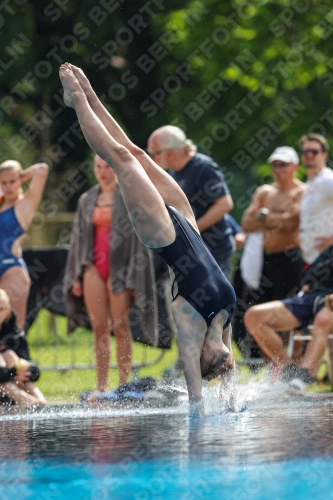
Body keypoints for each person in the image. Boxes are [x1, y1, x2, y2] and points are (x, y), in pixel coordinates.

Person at [59, 63, 236, 410]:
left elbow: (195, 388)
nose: (225, 359)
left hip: (165, 237)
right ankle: (90, 92)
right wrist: (231, 401)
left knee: (121, 159)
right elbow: (230, 379)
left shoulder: (192, 325)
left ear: (206, 355)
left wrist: (203, 404)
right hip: (190, 226)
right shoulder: (226, 319)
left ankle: (78, 99)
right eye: (226, 360)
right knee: (137, 152)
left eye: (217, 360)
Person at [64, 155, 158, 392]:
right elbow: (77, 241)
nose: (102, 171)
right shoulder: (86, 200)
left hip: (122, 270)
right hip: (93, 268)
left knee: (120, 326)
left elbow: (139, 240)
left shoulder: (128, 198)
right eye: (98, 166)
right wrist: (76, 275)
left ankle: (124, 385)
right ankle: (102, 387)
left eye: (107, 166)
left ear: (115, 169)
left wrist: (135, 276)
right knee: (99, 328)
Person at [239, 147, 305, 358]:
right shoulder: (264, 191)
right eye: (275, 164)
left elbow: (291, 224)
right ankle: (274, 370)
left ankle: (295, 367)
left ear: (295, 166)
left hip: (291, 259)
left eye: (283, 164)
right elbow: (247, 223)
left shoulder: (302, 192)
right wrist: (274, 217)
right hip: (265, 260)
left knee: (291, 316)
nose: (279, 169)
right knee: (263, 314)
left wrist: (263, 215)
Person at [147, 127, 234, 278]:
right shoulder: (173, 172)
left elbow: (224, 204)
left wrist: (192, 231)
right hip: (191, 252)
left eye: (154, 154)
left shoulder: (202, 166)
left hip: (214, 250)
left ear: (170, 153)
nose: (151, 159)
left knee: (214, 301)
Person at [244, 245, 333, 393]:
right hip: (309, 299)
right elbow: (309, 274)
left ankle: (303, 377)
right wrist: (307, 285)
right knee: (253, 316)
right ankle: (288, 371)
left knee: (323, 318)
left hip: (329, 305)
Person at [0, 159, 49, 330]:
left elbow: (42, 170)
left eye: (12, 181)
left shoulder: (25, 204)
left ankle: (17, 357)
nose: (9, 186)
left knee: (13, 328)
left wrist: (21, 176)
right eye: (4, 183)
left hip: (11, 269)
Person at [0, 288, 47, 408]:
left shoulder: (14, 334)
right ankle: (23, 398)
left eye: (0, 309)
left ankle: (40, 400)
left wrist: (27, 371)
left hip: (9, 388)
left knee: (10, 355)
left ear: (7, 312)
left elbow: (28, 362)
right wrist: (13, 372)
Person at [298, 134, 333, 265]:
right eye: (305, 151)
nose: (309, 155)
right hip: (312, 260)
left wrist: (331, 240)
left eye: (314, 151)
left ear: (324, 155)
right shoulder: (310, 184)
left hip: (328, 259)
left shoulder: (328, 180)